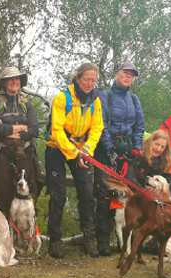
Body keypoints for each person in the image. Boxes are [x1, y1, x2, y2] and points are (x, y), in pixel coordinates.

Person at [45, 62, 103, 259]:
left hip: (81, 149)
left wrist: (86, 150)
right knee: (58, 194)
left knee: (87, 192)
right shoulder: (62, 98)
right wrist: (74, 153)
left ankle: (89, 237)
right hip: (56, 148)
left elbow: (97, 128)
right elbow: (57, 130)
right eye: (86, 79)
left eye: (93, 80)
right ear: (77, 78)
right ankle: (55, 241)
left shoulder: (95, 100)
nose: (89, 83)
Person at [93, 62, 145, 256]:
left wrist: (137, 147)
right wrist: (109, 148)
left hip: (126, 154)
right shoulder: (105, 95)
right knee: (105, 195)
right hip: (105, 153)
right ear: (117, 74)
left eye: (131, 75)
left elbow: (139, 126)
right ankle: (103, 241)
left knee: (126, 198)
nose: (128, 77)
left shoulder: (134, 99)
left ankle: (126, 243)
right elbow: (101, 123)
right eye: (125, 73)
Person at [0, 67, 40, 217]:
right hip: (4, 155)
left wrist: (8, 129)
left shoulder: (27, 104)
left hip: (26, 155)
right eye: (10, 79)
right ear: (4, 83)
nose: (14, 82)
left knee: (27, 197)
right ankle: (4, 236)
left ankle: (27, 238)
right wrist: (22, 128)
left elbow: (34, 130)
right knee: (4, 195)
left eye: (17, 79)